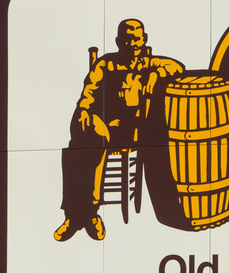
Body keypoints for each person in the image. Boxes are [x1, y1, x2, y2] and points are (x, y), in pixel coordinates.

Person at [54, 19, 184, 241]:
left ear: (144, 40)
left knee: (90, 143)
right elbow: (88, 92)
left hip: (134, 131)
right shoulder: (106, 64)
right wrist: (85, 111)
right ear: (118, 41)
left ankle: (84, 215)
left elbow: (177, 67)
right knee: (78, 145)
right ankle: (79, 215)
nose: (132, 43)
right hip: (104, 127)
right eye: (126, 39)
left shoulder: (152, 64)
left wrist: (155, 75)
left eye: (136, 38)